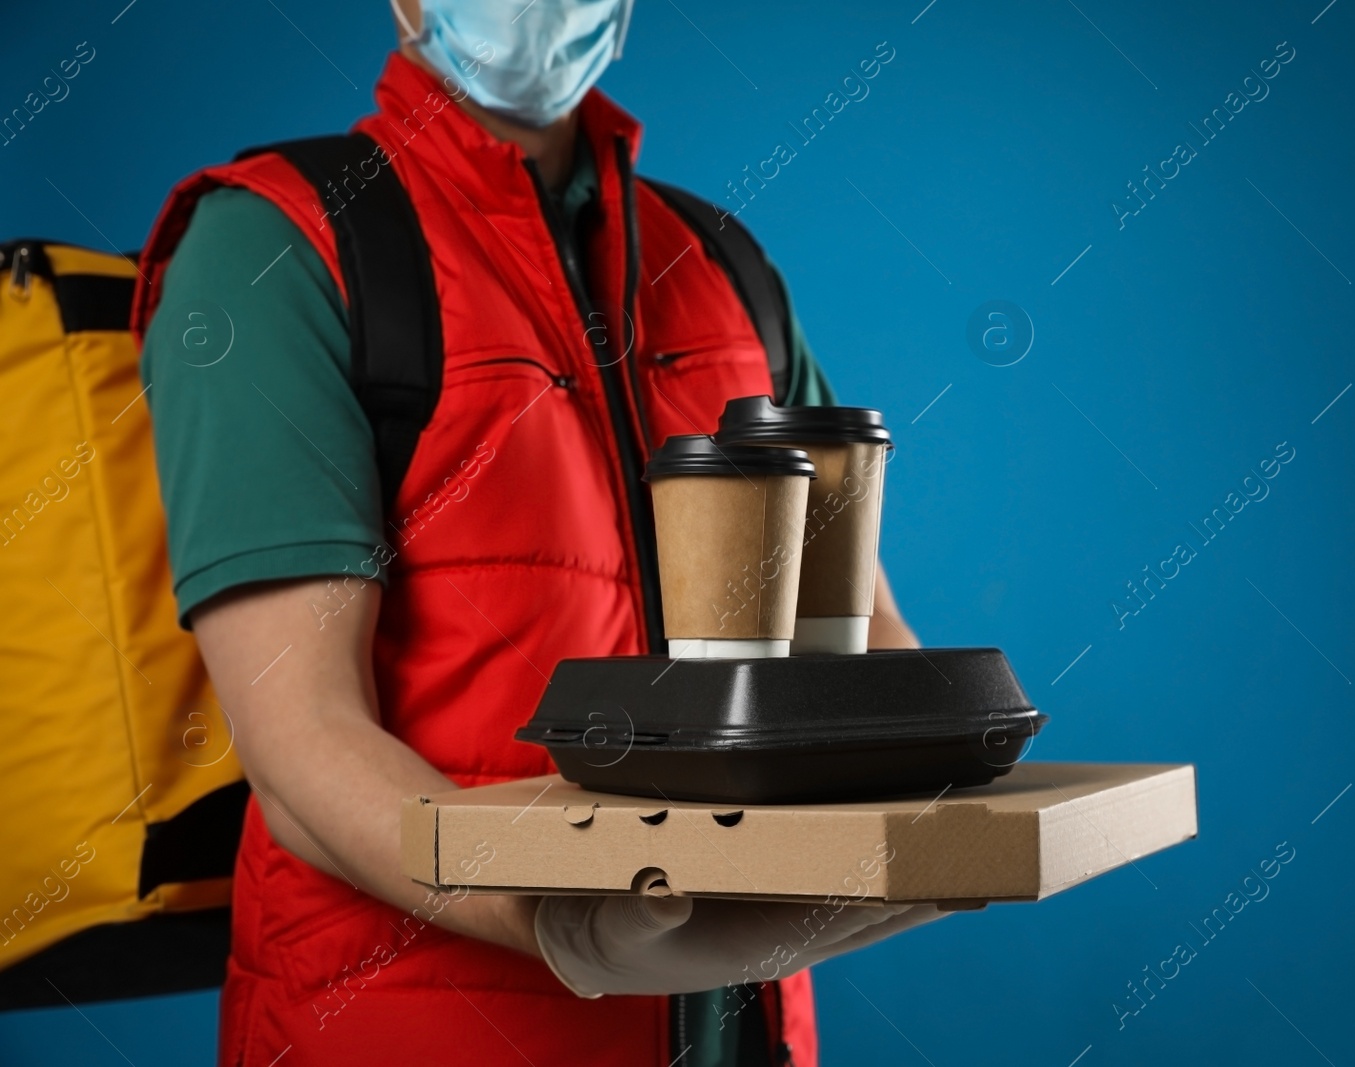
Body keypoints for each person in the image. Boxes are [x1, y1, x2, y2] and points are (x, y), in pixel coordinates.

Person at [133, 1, 938, 1064]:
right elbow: (301, 754)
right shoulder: (275, 247)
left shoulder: (720, 266)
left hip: (738, 1029)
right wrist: (559, 916)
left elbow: (862, 641)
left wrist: (940, 810)